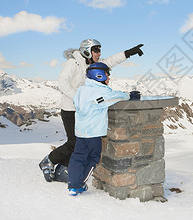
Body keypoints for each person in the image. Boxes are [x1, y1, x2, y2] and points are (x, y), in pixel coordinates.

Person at [39, 39, 143, 182]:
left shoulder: (93, 65)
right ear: (87, 50)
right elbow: (62, 82)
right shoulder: (73, 63)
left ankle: (64, 169)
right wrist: (79, 98)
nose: (99, 54)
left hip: (84, 110)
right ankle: (48, 160)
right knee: (74, 142)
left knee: (79, 143)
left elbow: (110, 62)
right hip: (70, 108)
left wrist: (128, 53)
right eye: (96, 50)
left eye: (100, 50)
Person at [67, 62, 129, 196]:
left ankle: (72, 184)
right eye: (107, 74)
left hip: (80, 131)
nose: (109, 78)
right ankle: (78, 186)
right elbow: (118, 96)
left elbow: (77, 103)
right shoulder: (102, 91)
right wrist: (130, 96)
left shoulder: (81, 89)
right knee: (93, 158)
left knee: (78, 157)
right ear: (99, 75)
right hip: (93, 132)